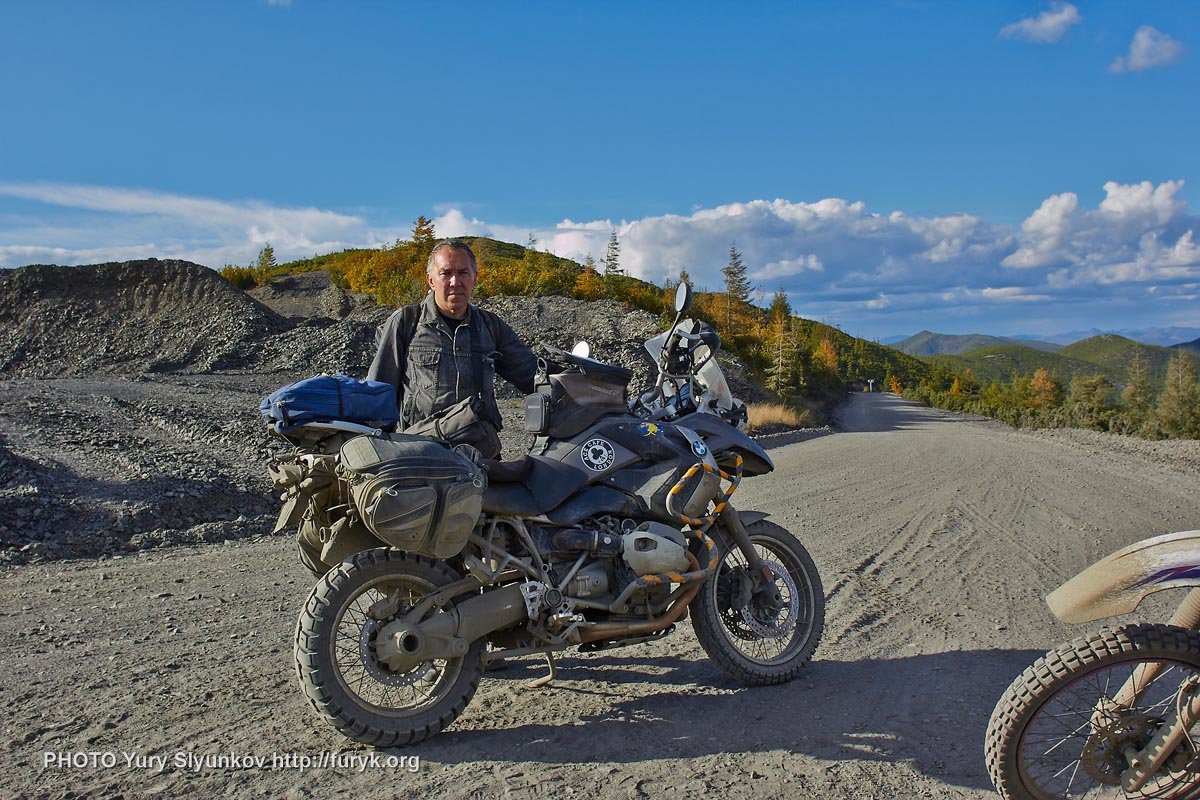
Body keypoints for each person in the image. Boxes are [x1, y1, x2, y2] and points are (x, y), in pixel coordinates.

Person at [367, 239, 537, 459]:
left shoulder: (490, 327)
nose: (455, 281)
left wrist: (578, 382)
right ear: (431, 280)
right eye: (445, 273)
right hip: (421, 454)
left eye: (463, 272)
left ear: (474, 277)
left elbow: (531, 374)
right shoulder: (406, 323)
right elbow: (379, 392)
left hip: (478, 456)